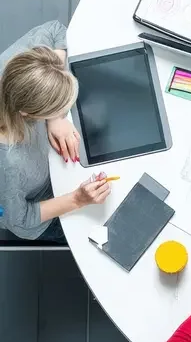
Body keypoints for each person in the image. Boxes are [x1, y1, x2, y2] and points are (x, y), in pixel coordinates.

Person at [0, 22, 111, 241]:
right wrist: (78, 199)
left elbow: (55, 29)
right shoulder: (8, 167)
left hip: (52, 162)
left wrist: (55, 119)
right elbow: (19, 221)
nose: (63, 111)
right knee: (102, 230)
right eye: (56, 107)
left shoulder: (16, 66)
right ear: (27, 112)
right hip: (43, 207)